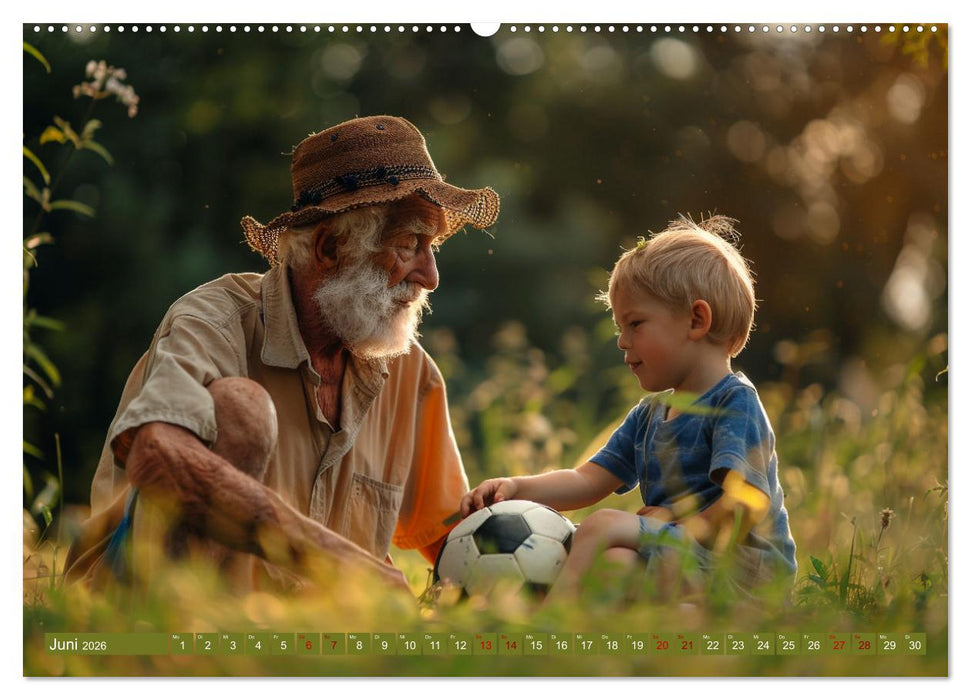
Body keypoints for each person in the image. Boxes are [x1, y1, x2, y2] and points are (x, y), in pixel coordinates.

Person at [65, 115, 500, 595]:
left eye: (431, 247)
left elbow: (454, 540)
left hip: (297, 650)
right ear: (329, 247)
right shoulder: (214, 320)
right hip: (141, 617)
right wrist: (336, 561)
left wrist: (563, 558)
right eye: (407, 245)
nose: (431, 276)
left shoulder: (410, 372)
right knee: (239, 408)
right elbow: (157, 456)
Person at [460, 214, 796, 599]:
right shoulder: (649, 415)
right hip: (686, 565)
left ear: (696, 320)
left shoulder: (734, 403)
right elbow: (587, 481)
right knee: (614, 563)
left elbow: (743, 507)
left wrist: (675, 528)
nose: (622, 341)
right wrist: (517, 487)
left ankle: (548, 630)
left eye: (635, 323)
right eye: (620, 326)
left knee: (602, 527)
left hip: (744, 578)